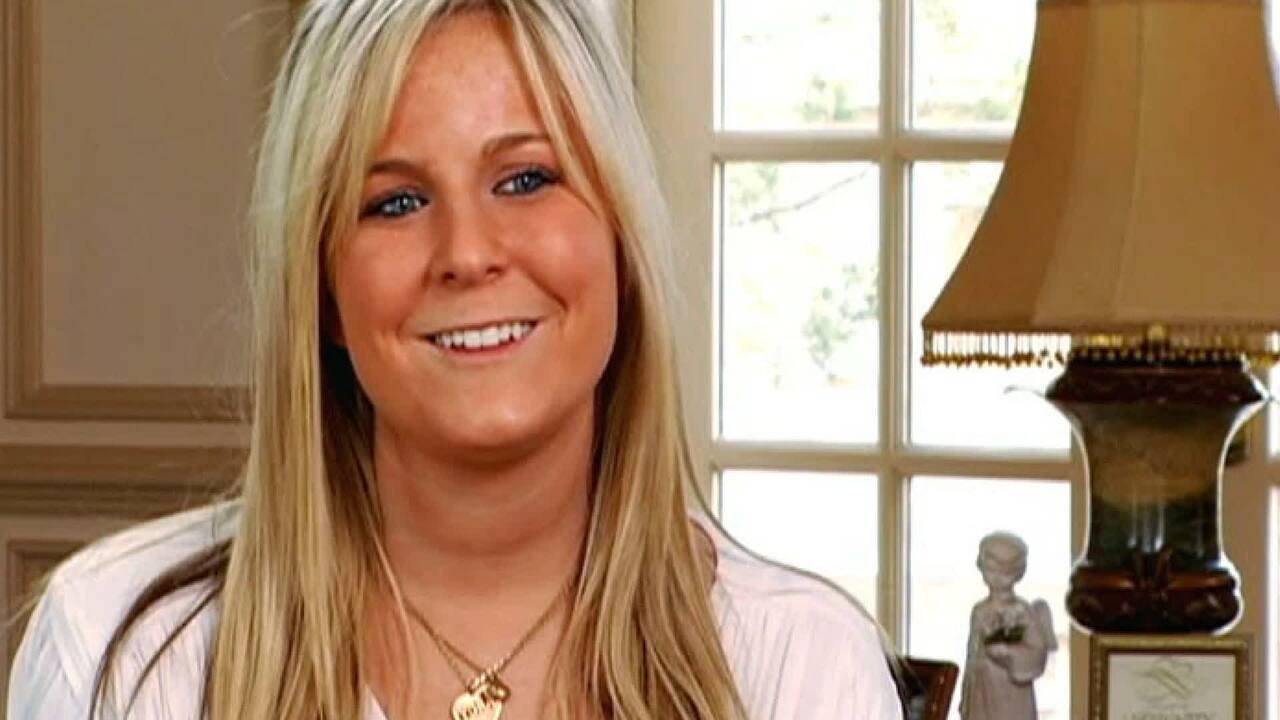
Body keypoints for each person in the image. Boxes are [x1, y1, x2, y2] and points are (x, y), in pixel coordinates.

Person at [5, 1, 904, 718]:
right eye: (395, 202)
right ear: (324, 293)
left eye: (526, 179)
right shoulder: (122, 655)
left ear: (620, 244)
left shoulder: (803, 668)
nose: (468, 254)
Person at [958, 532, 1057, 720]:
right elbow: (971, 656)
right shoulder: (979, 610)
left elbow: (1037, 651)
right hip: (981, 691)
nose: (997, 576)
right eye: (991, 568)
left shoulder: (1022, 612)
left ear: (1018, 572)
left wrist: (1007, 654)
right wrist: (966, 697)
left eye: (1005, 571)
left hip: (1010, 694)